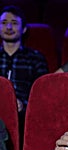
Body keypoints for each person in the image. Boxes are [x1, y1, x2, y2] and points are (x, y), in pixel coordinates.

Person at [0, 5, 48, 140]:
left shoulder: (35, 58)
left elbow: (42, 94)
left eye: (14, 23)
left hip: (26, 117)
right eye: (4, 23)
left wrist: (23, 105)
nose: (9, 27)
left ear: (24, 29)